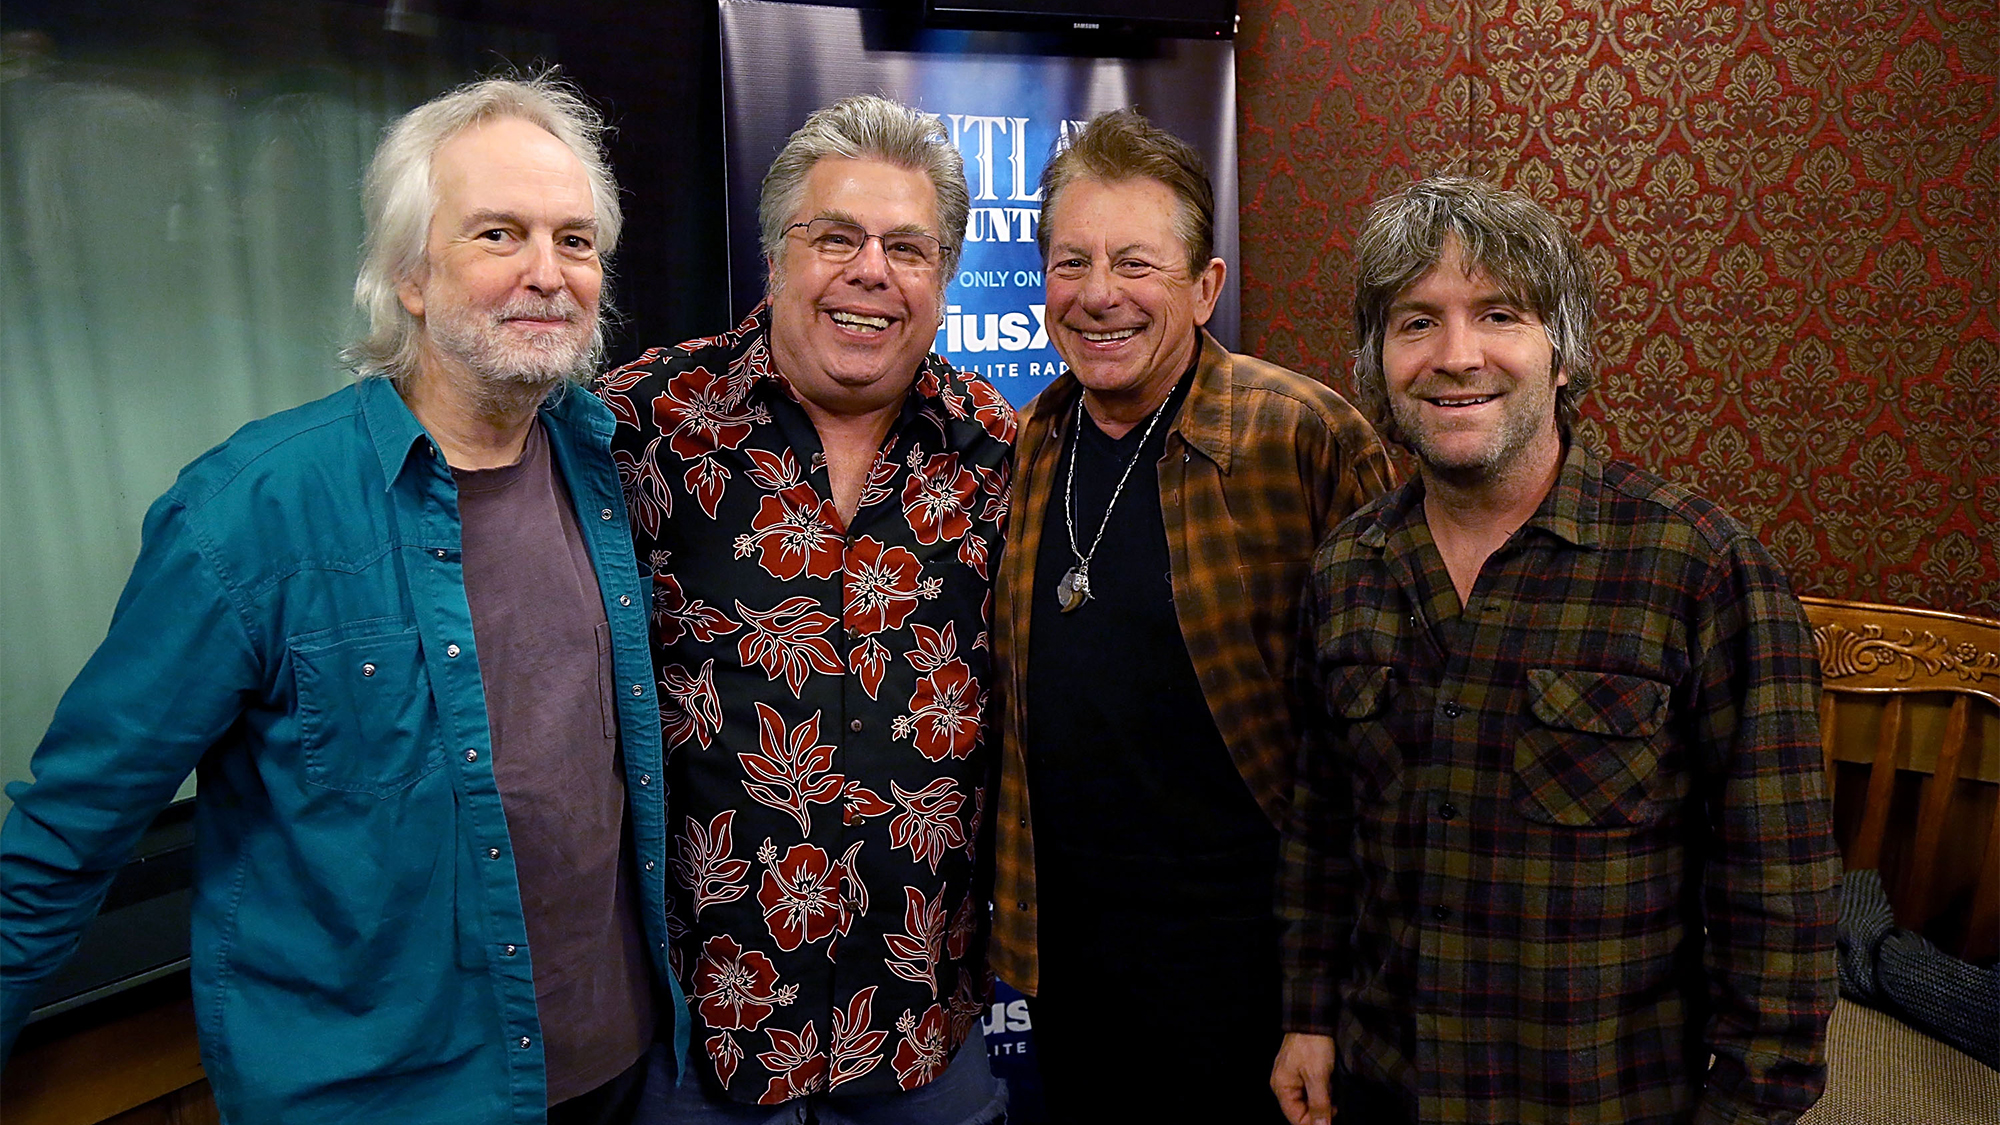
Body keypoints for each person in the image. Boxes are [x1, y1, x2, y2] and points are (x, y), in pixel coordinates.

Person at [0, 75, 685, 1124]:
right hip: (380, 1098)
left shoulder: (608, 468)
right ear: (409, 276)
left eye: (576, 242)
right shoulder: (248, 514)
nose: (547, 274)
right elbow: (69, 830)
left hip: (616, 1076)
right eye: (498, 235)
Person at [1272, 174, 1840, 1125]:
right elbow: (1321, 833)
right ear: (1378, 359)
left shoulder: (1702, 571)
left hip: (1603, 1099)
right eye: (1417, 322)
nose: (1457, 357)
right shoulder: (1346, 570)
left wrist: (1747, 1108)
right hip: (1383, 1089)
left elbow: (1777, 899)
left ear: (1562, 352)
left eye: (1499, 314)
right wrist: (1307, 1014)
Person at [597, 96, 1014, 1123]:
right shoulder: (636, 426)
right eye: (836, 237)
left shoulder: (1002, 452)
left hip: (923, 1032)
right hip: (703, 1042)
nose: (870, 271)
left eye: (907, 247)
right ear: (775, 254)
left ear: (944, 276)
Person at [986, 108, 1392, 1122]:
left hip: (1255, 976)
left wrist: (1332, 991)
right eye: (1070, 262)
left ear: (1205, 287)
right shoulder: (1027, 446)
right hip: (1072, 967)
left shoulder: (1302, 438)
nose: (1097, 295)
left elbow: (1384, 748)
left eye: (1136, 264)